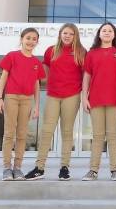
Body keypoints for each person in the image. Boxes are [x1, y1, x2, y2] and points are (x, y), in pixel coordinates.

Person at [25, 23, 86, 181]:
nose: (67, 36)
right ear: (60, 34)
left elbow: (86, 75)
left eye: (71, 34)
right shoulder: (51, 50)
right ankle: (39, 168)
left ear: (75, 36)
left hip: (72, 95)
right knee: (46, 131)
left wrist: (85, 95)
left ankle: (64, 168)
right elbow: (45, 70)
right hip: (53, 95)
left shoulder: (81, 52)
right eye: (65, 33)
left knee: (67, 132)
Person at [81, 22, 116, 181]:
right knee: (97, 136)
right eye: (104, 30)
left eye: (110, 30)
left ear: (114, 34)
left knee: (113, 136)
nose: (107, 32)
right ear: (99, 34)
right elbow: (86, 77)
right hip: (95, 99)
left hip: (115, 100)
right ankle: (93, 171)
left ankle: (114, 170)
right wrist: (84, 98)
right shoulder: (91, 54)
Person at [0, 27, 46, 181]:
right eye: (28, 38)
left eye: (34, 39)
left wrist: (36, 106)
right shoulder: (12, 56)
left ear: (37, 42)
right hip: (11, 98)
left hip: (27, 100)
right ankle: (6, 168)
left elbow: (37, 86)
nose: (31, 41)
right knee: (9, 133)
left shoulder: (37, 62)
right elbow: (3, 77)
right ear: (22, 39)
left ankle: (17, 168)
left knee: (22, 135)